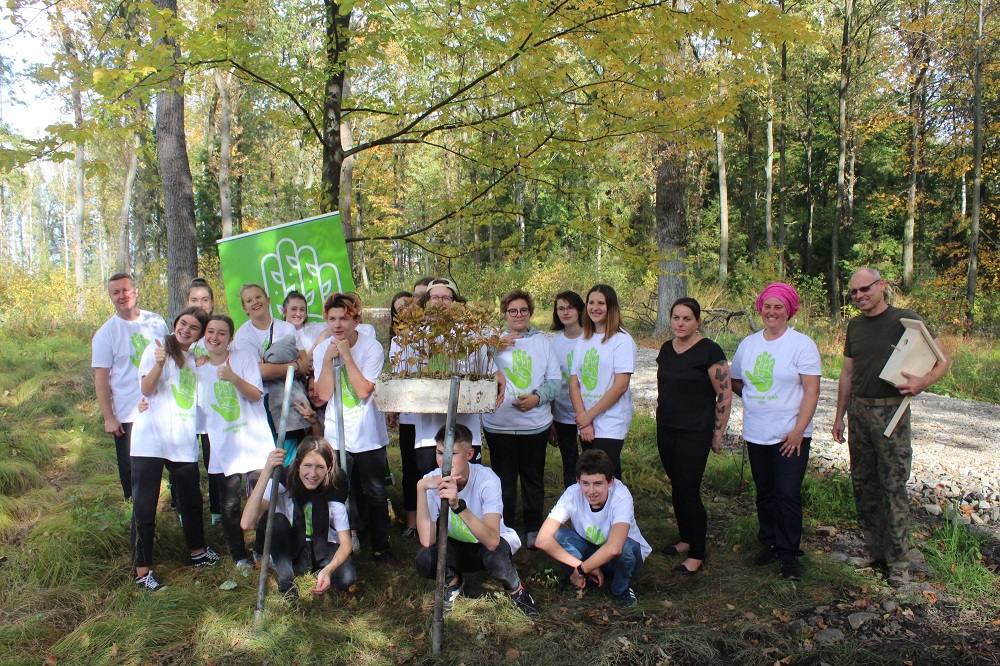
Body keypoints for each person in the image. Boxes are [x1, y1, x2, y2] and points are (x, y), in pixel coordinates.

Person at [832, 268, 951, 585]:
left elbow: (943, 359)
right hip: (859, 411)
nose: (859, 296)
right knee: (864, 483)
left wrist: (923, 382)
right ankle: (876, 551)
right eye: (854, 292)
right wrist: (839, 416)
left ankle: (899, 563)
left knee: (893, 487)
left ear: (881, 286)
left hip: (891, 415)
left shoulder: (906, 319)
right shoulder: (854, 325)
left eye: (865, 289)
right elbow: (847, 373)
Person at [731, 284, 820, 581]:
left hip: (790, 436)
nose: (772, 312)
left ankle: (789, 554)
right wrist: (756, 400)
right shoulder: (749, 344)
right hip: (757, 433)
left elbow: (811, 390)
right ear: (760, 308)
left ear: (789, 310)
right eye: (767, 306)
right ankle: (768, 542)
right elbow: (736, 381)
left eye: (778, 307)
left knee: (787, 493)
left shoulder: (802, 344)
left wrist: (798, 430)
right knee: (765, 492)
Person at [130, 307, 218, 591]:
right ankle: (143, 573)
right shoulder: (156, 350)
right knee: (144, 506)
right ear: (176, 323)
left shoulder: (194, 360)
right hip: (150, 442)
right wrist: (158, 363)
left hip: (181, 442)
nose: (186, 330)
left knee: (191, 500)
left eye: (194, 328)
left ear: (200, 334)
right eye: (183, 324)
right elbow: (145, 389)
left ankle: (198, 552)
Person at [414, 424, 539, 616]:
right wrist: (421, 489)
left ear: (469, 454)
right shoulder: (431, 480)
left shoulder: (487, 480)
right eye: (439, 453)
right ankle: (453, 581)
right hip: (456, 546)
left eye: (453, 454)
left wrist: (458, 506)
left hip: (486, 545)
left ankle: (516, 589)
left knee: (496, 559)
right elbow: (427, 541)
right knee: (424, 560)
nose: (444, 461)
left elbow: (491, 541)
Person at [313, 292, 399, 566]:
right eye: (332, 318)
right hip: (337, 434)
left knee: (374, 492)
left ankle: (381, 548)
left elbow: (363, 391)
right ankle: (344, 542)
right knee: (339, 490)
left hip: (368, 433)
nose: (338, 325)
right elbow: (324, 395)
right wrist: (328, 360)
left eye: (345, 318)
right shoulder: (321, 349)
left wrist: (347, 357)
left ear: (355, 320)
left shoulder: (371, 347)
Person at [656, 297, 733, 576]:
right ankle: (686, 539)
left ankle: (698, 553)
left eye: (687, 318)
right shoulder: (666, 348)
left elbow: (724, 393)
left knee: (688, 490)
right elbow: (663, 384)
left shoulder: (709, 351)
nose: (680, 323)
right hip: (666, 428)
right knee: (677, 486)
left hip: (695, 432)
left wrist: (717, 432)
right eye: (676, 317)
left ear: (698, 322)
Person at [196, 315, 274, 575]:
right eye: (210, 332)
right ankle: (239, 556)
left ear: (230, 339)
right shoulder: (196, 369)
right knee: (229, 505)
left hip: (254, 441)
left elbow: (255, 395)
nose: (215, 337)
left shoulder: (242, 358)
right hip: (223, 445)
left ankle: (262, 549)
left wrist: (232, 377)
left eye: (221, 333)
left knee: (265, 496)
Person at [483, 289, 561, 549]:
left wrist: (537, 398)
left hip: (534, 426)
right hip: (499, 425)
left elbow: (555, 381)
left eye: (523, 310)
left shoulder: (542, 342)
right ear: (505, 313)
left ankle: (532, 528)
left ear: (530, 312)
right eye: (512, 311)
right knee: (503, 480)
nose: (518, 315)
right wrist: (493, 348)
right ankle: (504, 529)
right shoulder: (491, 342)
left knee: (532, 479)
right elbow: (480, 372)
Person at [535, 449, 650, 608]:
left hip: (623, 557)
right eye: (585, 483)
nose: (591, 491)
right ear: (578, 481)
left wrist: (582, 569)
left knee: (625, 547)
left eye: (598, 483)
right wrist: (579, 565)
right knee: (557, 535)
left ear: (610, 481)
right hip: (590, 553)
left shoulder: (621, 495)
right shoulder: (572, 493)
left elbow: (615, 547)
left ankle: (621, 588)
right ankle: (588, 578)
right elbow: (542, 540)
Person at [241, 439, 355, 597]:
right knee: (276, 520)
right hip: (291, 546)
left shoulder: (334, 486)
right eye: (307, 466)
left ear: (329, 469)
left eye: (320, 467)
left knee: (346, 578)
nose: (313, 474)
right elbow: (246, 523)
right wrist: (267, 472)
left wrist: (329, 570)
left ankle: (318, 573)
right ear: (298, 465)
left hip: (321, 546)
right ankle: (286, 581)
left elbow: (346, 543)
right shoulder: (282, 481)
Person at [92, 273, 169, 501]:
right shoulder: (105, 334)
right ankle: (135, 512)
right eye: (115, 292)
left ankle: (176, 505)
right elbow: (101, 380)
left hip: (162, 406)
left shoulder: (156, 321)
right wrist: (109, 417)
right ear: (110, 297)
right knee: (132, 470)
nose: (122, 296)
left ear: (136, 291)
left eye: (125, 290)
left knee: (170, 462)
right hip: (128, 413)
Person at [412, 277, 496, 468]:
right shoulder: (417, 335)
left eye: (446, 298)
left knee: (464, 487)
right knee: (432, 488)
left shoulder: (471, 335)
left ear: (456, 303)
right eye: (435, 297)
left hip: (466, 433)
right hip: (428, 436)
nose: (440, 302)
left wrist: (500, 379)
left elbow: (487, 370)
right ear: (426, 302)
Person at [569, 284, 637, 478]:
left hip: (610, 422)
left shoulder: (622, 340)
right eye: (591, 302)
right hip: (586, 421)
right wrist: (583, 419)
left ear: (611, 307)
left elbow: (620, 386)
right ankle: (616, 508)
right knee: (604, 475)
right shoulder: (583, 340)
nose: (595, 307)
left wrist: (589, 416)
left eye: (601, 303)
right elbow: (574, 383)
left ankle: (614, 508)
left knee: (599, 476)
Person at [232, 283, 303, 438]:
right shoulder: (243, 335)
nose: (255, 302)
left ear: (268, 299)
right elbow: (258, 372)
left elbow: (304, 363)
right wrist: (293, 366)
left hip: (290, 397)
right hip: (261, 401)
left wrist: (273, 367)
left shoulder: (287, 328)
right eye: (249, 300)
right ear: (245, 308)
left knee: (292, 450)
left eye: (258, 297)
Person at [186, 278, 222, 522]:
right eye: (194, 300)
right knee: (185, 464)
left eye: (205, 300)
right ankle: (185, 507)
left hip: (214, 410)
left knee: (214, 459)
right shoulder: (180, 333)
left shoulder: (219, 334)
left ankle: (218, 509)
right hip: (186, 412)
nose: (200, 304)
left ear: (212, 304)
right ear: (186, 303)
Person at [385, 291, 420, 537]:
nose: (405, 310)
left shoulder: (434, 334)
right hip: (409, 415)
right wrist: (393, 409)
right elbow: (397, 378)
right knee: (410, 469)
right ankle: (412, 521)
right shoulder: (398, 341)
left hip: (432, 414)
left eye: (408, 304)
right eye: (399, 308)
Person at [549, 290, 586, 488]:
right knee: (570, 463)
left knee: (595, 461)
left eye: (570, 307)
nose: (566, 312)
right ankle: (573, 507)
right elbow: (553, 381)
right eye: (561, 308)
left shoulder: (591, 338)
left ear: (580, 309)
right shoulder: (554, 343)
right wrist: (552, 417)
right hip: (563, 413)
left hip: (590, 413)